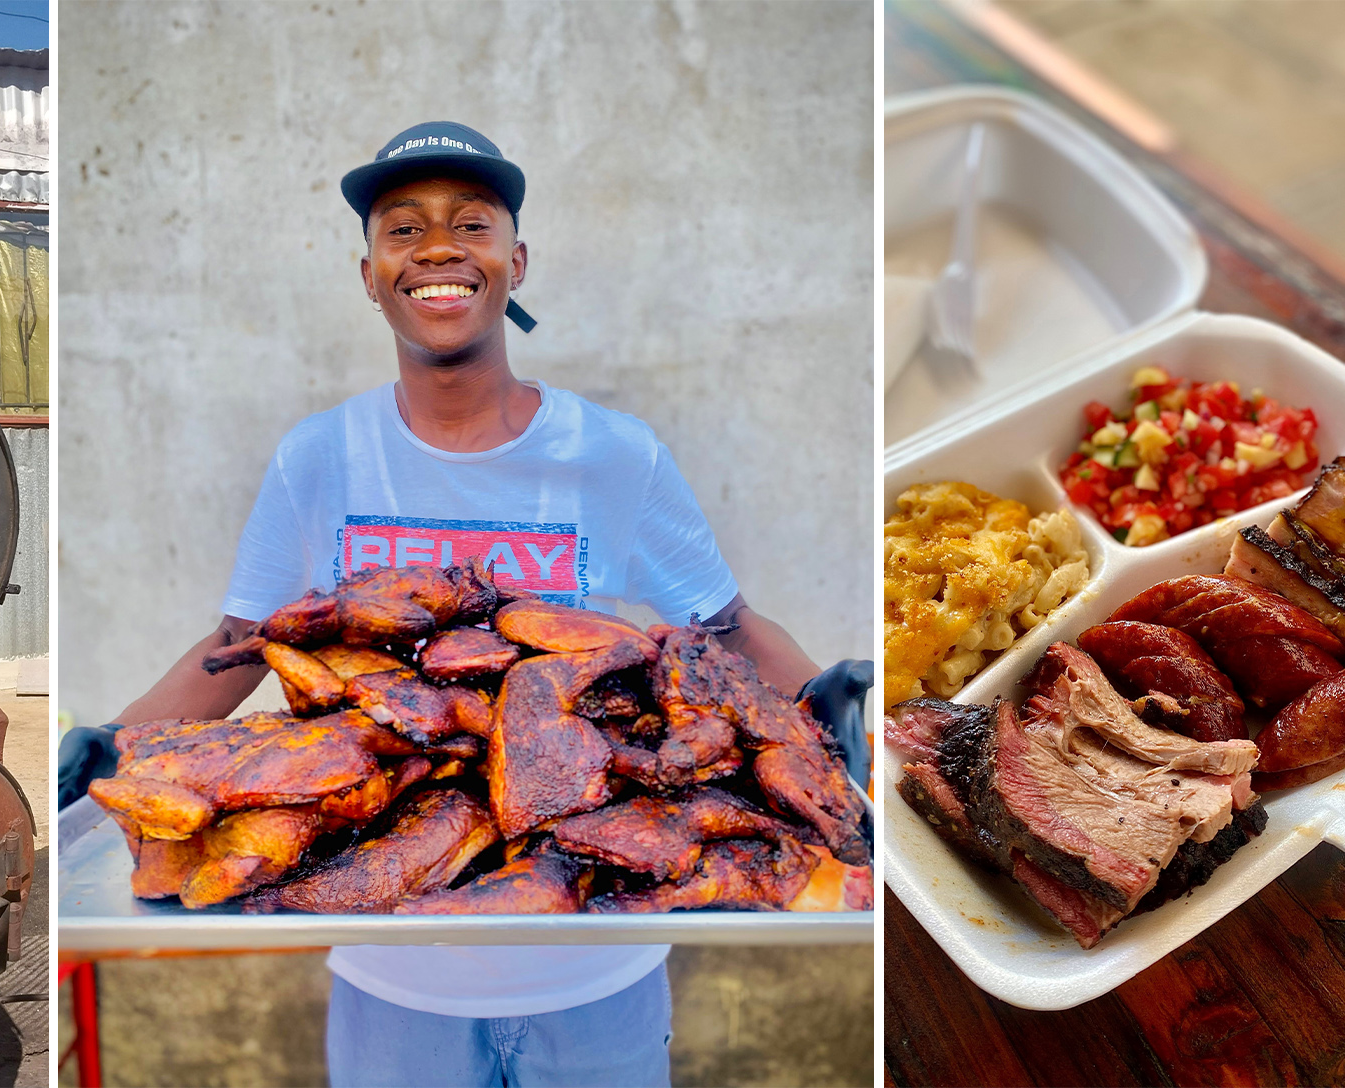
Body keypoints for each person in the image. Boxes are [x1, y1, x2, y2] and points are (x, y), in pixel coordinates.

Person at [60, 121, 867, 1087]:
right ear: (369, 274)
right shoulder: (319, 456)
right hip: (390, 968)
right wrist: (115, 744)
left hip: (599, 956)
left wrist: (830, 700)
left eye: (470, 224)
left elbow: (726, 630)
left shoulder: (615, 454)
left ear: (514, 262)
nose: (437, 247)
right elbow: (239, 643)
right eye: (402, 230)